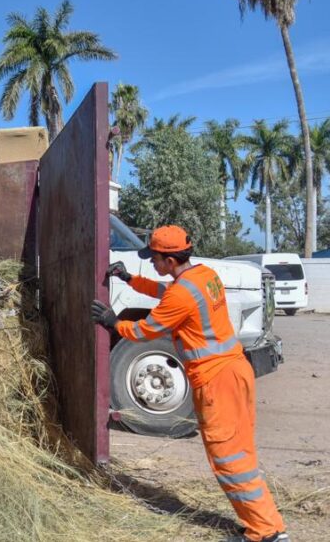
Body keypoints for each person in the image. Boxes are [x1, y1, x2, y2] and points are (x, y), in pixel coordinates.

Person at [90, 225, 288, 542]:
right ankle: (265, 525)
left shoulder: (182, 293)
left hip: (216, 380)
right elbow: (166, 294)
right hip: (235, 371)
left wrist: (114, 322)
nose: (151, 264)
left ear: (170, 260)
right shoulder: (202, 277)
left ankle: (266, 533)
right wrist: (130, 280)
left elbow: (146, 330)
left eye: (154, 258)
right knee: (240, 455)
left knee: (229, 459)